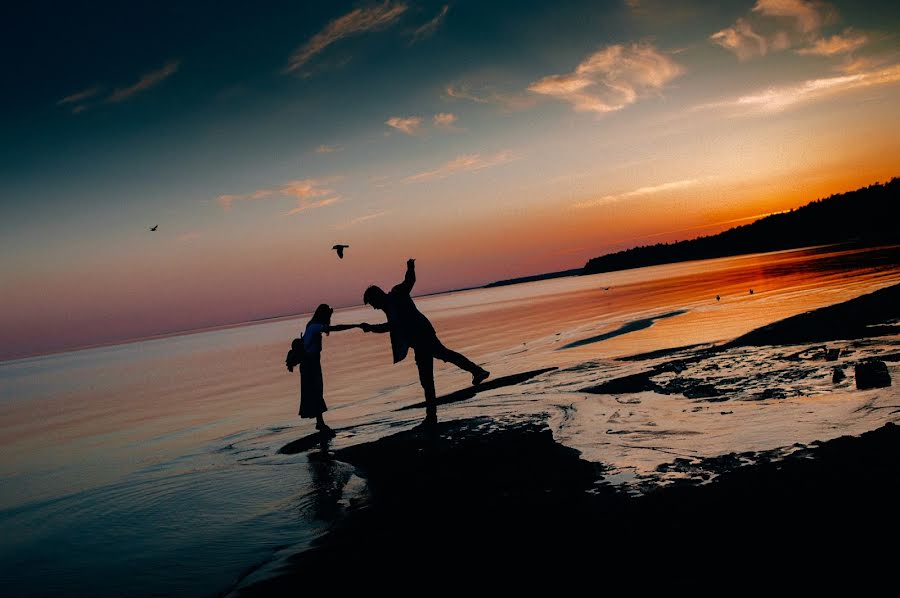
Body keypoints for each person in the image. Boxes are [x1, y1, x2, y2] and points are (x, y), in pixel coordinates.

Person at [362, 259, 490, 425]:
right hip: (418, 340)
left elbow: (409, 281)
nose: (374, 308)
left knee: (434, 368)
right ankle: (433, 414)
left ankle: (474, 373)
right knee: (433, 369)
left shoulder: (397, 293)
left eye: (372, 303)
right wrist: (372, 328)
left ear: (377, 297)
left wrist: (410, 268)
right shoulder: (389, 306)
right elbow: (392, 326)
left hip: (423, 335)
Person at [299, 304, 363, 436]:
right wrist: (355, 325)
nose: (329, 319)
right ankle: (320, 423)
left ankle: (320, 422)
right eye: (328, 316)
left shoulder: (312, 326)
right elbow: (336, 328)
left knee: (316, 391)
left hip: (312, 363)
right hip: (310, 364)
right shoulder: (314, 327)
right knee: (315, 391)